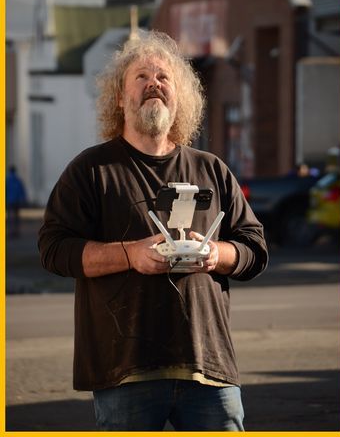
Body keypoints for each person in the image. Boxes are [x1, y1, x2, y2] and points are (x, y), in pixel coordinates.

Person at [38, 32, 267, 430]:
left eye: (164, 77)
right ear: (119, 97)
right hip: (125, 370)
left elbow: (255, 249)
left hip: (207, 367)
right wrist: (132, 254)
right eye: (141, 76)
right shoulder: (91, 171)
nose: (153, 84)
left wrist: (215, 254)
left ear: (180, 96)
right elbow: (53, 249)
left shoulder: (211, 169)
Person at [6, 165, 25, 237]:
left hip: (9, 201)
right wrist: (23, 199)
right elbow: (22, 191)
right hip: (17, 201)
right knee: (16, 217)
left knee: (10, 217)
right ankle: (16, 231)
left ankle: (10, 232)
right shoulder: (18, 180)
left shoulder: (7, 180)